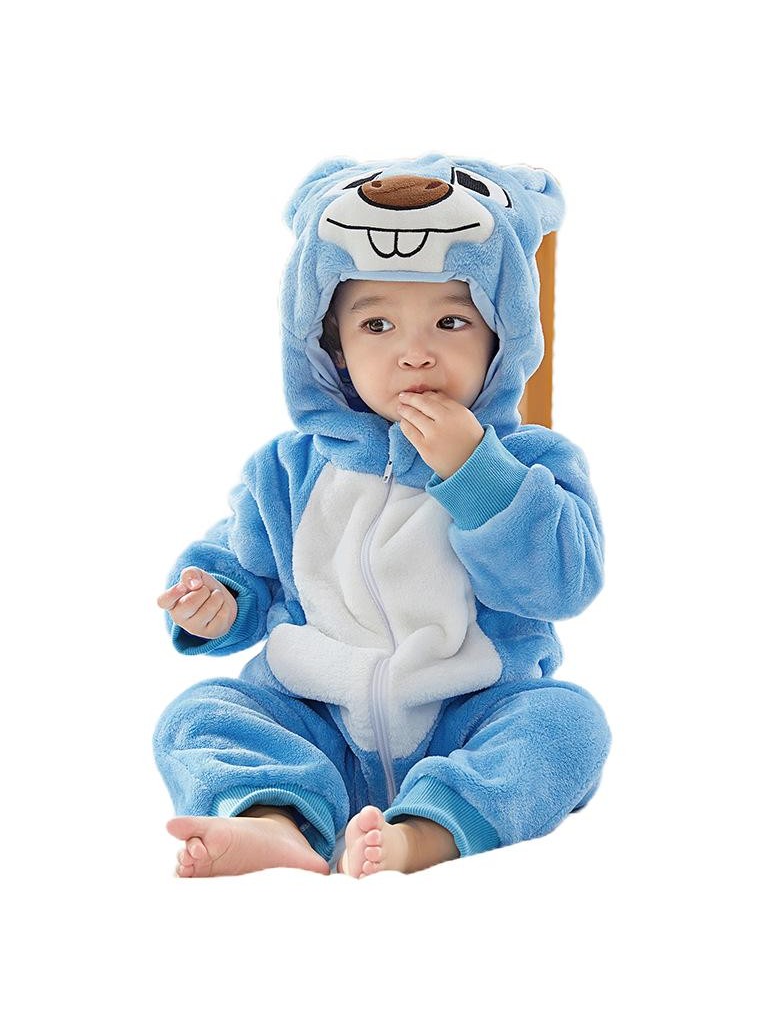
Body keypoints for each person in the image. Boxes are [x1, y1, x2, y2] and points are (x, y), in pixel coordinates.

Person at [153, 152, 612, 879]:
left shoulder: (529, 460)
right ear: (331, 348)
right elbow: (244, 564)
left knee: (569, 725)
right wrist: (218, 600)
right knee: (199, 715)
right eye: (377, 324)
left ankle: (425, 832)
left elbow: (563, 584)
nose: (415, 354)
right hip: (316, 717)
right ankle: (274, 820)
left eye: (452, 321)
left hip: (467, 717)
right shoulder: (290, 468)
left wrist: (476, 473)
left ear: (501, 339)